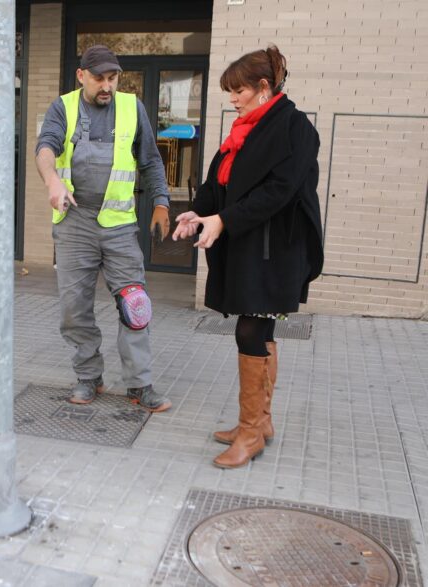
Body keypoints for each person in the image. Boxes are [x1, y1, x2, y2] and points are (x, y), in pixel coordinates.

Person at [172, 44, 323, 468]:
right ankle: (260, 423)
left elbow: (280, 191)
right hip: (249, 244)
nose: (233, 100)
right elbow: (217, 182)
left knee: (250, 331)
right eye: (231, 92)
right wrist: (198, 213)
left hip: (276, 250)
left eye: (238, 91)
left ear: (263, 87)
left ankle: (251, 432)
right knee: (260, 330)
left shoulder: (295, 128)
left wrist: (224, 220)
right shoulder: (245, 129)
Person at [35, 45, 172, 412]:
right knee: (74, 308)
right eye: (99, 78)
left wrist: (161, 202)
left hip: (119, 225)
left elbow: (150, 161)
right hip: (75, 223)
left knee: (135, 305)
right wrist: (52, 180)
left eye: (113, 78)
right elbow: (45, 148)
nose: (107, 86)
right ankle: (88, 376)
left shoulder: (132, 108)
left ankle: (139, 384)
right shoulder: (63, 108)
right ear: (82, 76)